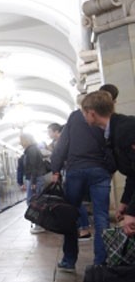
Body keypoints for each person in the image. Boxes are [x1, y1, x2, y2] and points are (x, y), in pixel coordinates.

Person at [50, 83, 118, 269]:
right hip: (99, 171)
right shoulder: (109, 117)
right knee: (101, 217)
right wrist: (110, 169)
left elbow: (62, 145)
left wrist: (56, 169)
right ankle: (100, 262)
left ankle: (69, 260)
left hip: (76, 171)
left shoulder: (74, 116)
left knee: (70, 216)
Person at [81, 90, 135, 235]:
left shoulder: (126, 129)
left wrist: (132, 212)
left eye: (84, 113)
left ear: (92, 113)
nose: (84, 117)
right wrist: (125, 203)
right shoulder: (115, 130)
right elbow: (132, 173)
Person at [48, 123, 90, 240]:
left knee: (76, 202)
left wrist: (55, 171)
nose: (49, 134)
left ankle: (84, 229)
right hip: (72, 173)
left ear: (57, 131)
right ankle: (81, 228)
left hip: (72, 173)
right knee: (73, 202)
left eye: (50, 131)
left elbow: (60, 158)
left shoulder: (65, 141)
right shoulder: (66, 141)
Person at [20, 133, 48, 233]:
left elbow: (33, 167)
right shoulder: (32, 149)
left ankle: (39, 225)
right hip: (36, 178)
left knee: (34, 202)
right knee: (36, 201)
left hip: (35, 179)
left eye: (21, 140)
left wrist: (33, 182)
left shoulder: (31, 150)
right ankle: (40, 224)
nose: (20, 142)